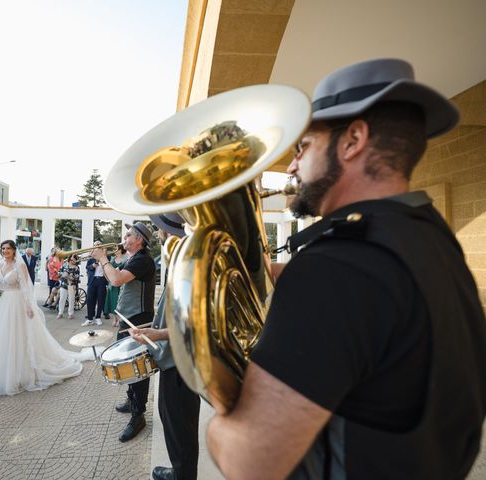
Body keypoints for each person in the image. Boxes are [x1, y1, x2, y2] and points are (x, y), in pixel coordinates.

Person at [206, 58, 486, 479]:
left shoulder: (336, 265)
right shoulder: (431, 238)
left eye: (303, 147)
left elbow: (251, 463)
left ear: (353, 140)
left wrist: (217, 420)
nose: (293, 165)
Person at [0, 240, 88, 395]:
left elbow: (26, 288)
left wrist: (29, 306)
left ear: (14, 250)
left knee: (15, 335)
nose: (5, 251)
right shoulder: (0, 263)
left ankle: (18, 373)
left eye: (8, 248)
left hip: (15, 303)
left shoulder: (19, 266)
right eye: (3, 248)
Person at [130, 215, 201, 480]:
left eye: (159, 226)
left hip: (181, 359)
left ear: (168, 229)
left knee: (179, 424)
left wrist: (156, 334)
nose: (157, 231)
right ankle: (180, 470)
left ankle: (182, 475)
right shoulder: (180, 258)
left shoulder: (188, 262)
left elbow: (195, 322)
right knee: (175, 421)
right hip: (176, 357)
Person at [92, 222, 156, 442]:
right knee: (128, 365)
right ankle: (132, 400)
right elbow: (125, 286)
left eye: (128, 234)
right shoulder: (133, 258)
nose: (124, 237)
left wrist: (103, 259)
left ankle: (139, 415)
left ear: (139, 240)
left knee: (138, 366)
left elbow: (116, 280)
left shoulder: (143, 259)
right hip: (130, 317)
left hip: (139, 320)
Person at [84, 241, 108, 326]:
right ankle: (90, 319)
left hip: (101, 280)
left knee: (101, 299)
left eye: (99, 246)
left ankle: (98, 317)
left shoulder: (105, 257)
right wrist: (92, 266)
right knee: (90, 300)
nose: (97, 247)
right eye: (95, 246)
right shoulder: (91, 258)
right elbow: (87, 267)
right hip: (92, 280)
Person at [103, 244, 127, 327]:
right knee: (113, 301)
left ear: (120, 250)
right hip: (112, 284)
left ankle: (119, 318)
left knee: (119, 301)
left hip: (121, 283)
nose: (115, 251)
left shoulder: (125, 259)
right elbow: (108, 271)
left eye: (116, 249)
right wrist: (109, 280)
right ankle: (115, 318)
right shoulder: (113, 259)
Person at [56, 254, 80, 320]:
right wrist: (63, 274)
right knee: (62, 299)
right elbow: (59, 272)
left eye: (73, 260)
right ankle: (60, 313)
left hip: (71, 285)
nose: (72, 261)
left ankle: (71, 314)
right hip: (63, 284)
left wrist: (69, 277)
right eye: (71, 259)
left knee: (71, 299)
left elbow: (77, 277)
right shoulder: (64, 265)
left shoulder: (76, 267)